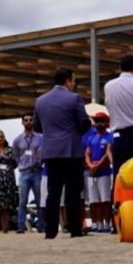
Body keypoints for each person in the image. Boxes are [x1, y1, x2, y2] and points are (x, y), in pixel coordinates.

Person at [33, 68, 92, 239]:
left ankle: (50, 231)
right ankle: (74, 229)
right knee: (73, 192)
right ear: (68, 80)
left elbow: (37, 127)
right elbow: (83, 123)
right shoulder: (74, 99)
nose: (74, 84)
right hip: (71, 151)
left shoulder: (40, 101)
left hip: (51, 152)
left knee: (53, 193)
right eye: (73, 81)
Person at [103, 54, 133, 210]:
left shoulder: (109, 86)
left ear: (120, 66)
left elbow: (109, 106)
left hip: (118, 135)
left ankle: (117, 212)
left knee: (119, 175)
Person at [11, 114, 44, 233]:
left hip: (37, 172)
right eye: (26, 120)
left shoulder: (41, 138)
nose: (28, 122)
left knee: (40, 200)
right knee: (22, 201)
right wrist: (22, 164)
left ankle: (41, 226)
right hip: (24, 173)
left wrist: (39, 161)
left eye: (30, 120)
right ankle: (20, 227)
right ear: (22, 122)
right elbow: (16, 156)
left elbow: (43, 153)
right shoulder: (17, 140)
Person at [83, 112, 114, 232]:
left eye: (101, 121)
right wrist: (91, 165)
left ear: (106, 122)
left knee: (105, 200)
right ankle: (96, 222)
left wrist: (98, 165)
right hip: (92, 172)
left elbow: (108, 154)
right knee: (93, 200)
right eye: (96, 121)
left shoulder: (110, 137)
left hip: (104, 172)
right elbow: (87, 153)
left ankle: (107, 223)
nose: (98, 124)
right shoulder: (91, 138)